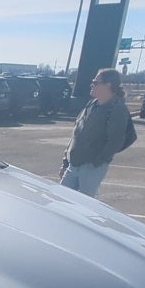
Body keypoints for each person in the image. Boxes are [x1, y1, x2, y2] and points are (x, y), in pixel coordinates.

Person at [59, 68, 131, 198]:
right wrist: (66, 161)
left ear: (108, 85)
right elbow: (77, 134)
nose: (92, 84)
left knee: (84, 205)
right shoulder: (91, 104)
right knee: (62, 200)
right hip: (73, 164)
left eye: (96, 82)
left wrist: (97, 161)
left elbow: (116, 141)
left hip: (90, 167)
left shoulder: (117, 109)